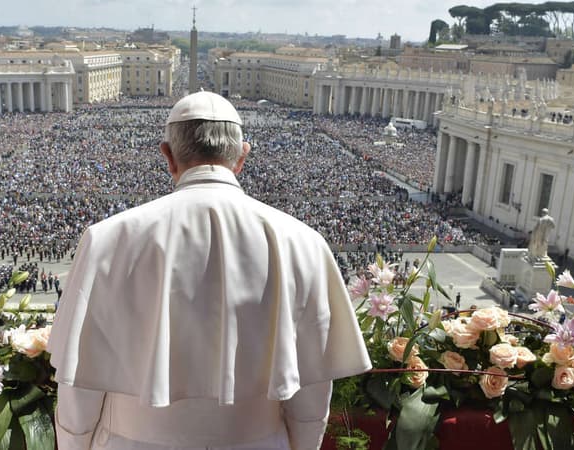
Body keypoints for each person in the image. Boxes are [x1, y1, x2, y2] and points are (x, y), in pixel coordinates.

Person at [47, 92, 371, 450]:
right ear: (241, 157)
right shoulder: (304, 242)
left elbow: (79, 387)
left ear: (168, 156)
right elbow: (310, 390)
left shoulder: (106, 239)